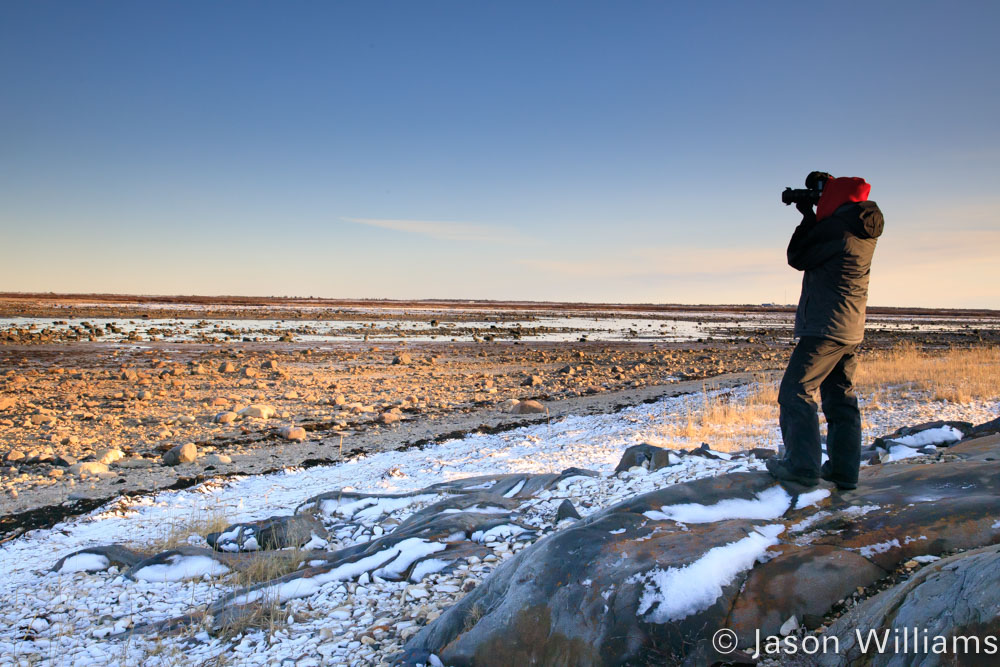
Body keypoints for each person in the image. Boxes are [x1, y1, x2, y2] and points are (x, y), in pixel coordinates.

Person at [766, 172, 884, 490]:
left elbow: (798, 256)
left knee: (795, 392)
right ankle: (844, 471)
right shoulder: (863, 227)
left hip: (825, 327)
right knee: (840, 398)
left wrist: (807, 216)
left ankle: (801, 467)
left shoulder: (838, 228)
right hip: (849, 327)